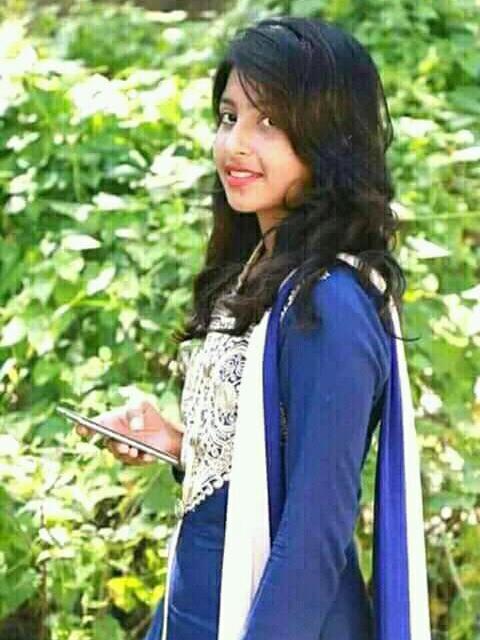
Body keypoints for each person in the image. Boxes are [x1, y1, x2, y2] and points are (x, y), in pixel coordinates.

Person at [77, 15, 431, 640]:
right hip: (199, 604)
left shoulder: (331, 302)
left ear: (329, 137)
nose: (235, 144)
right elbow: (262, 469)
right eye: (228, 116)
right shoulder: (262, 271)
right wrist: (184, 446)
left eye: (269, 122)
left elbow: (314, 536)